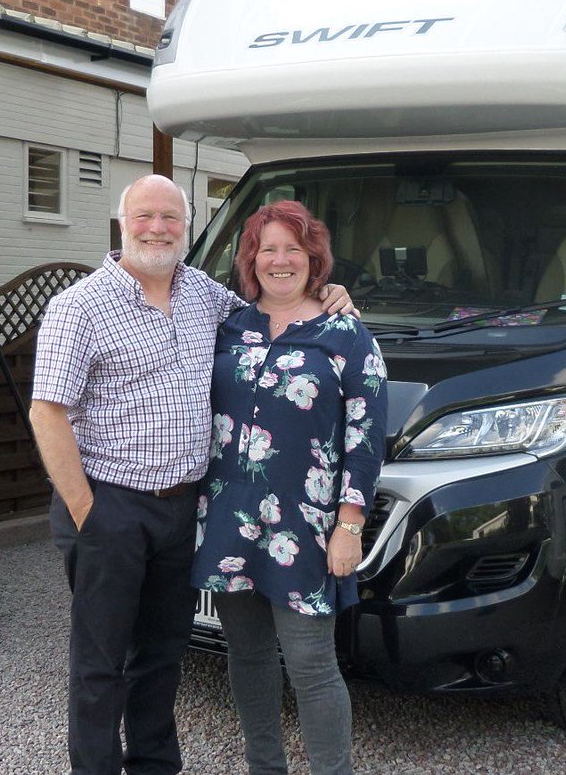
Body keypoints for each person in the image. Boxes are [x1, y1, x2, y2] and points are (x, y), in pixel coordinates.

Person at [30, 176, 355, 775]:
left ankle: (154, 766)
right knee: (101, 662)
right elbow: (47, 410)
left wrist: (326, 290)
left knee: (161, 657)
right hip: (110, 505)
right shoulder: (79, 306)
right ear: (121, 222)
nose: (157, 228)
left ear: (188, 224)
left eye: (171, 218)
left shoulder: (207, 296)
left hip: (183, 510)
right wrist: (86, 512)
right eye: (144, 216)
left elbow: (276, 309)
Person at [191, 200, 387, 775]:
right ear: (250, 259)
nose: (280, 261)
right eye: (267, 249)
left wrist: (350, 524)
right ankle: (264, 767)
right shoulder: (227, 325)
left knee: (311, 664)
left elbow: (367, 436)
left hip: (304, 530)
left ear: (314, 259)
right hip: (228, 521)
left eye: (293, 249)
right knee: (248, 659)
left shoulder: (346, 334)